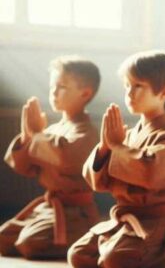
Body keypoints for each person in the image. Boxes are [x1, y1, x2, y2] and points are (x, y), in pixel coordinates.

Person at [68, 51, 165, 268]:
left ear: (164, 92)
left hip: (157, 223)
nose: (129, 93)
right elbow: (97, 182)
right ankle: (138, 251)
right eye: (127, 86)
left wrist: (117, 147)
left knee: (113, 260)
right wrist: (105, 147)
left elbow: (151, 174)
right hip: (127, 219)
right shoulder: (127, 134)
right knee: (78, 255)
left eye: (138, 85)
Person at [0, 56, 101, 259]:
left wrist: (37, 134)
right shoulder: (54, 129)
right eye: (52, 86)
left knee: (30, 244)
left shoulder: (87, 133)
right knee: (3, 238)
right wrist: (28, 135)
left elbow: (66, 160)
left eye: (61, 86)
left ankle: (84, 236)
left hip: (76, 214)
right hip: (49, 207)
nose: (53, 92)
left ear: (85, 93)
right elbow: (25, 168)